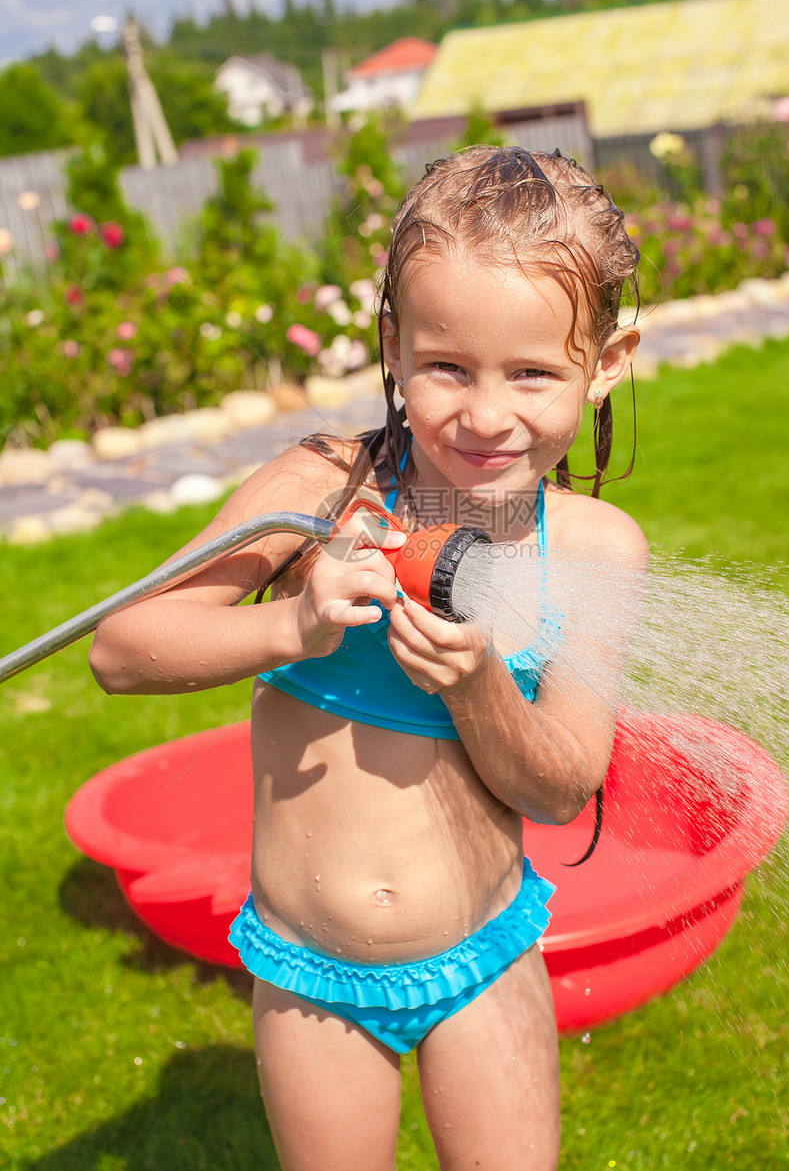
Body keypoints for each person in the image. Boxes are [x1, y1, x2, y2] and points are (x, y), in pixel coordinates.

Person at [89, 146, 646, 1171]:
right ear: (392, 346)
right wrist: (290, 626)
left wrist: (480, 689)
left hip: (485, 959)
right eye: (446, 367)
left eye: (530, 372)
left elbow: (561, 789)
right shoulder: (320, 492)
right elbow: (120, 651)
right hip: (310, 978)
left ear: (606, 362)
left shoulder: (591, 549)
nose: (484, 415)